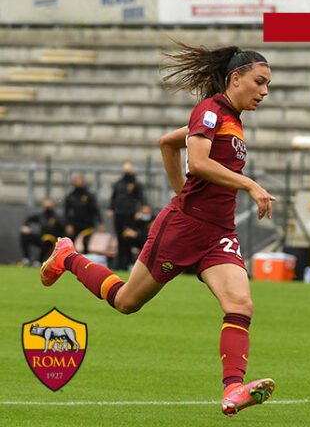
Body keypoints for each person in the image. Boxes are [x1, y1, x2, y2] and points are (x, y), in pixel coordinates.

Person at [40, 41, 276, 416]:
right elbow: (196, 162)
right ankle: (67, 256)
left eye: (268, 85)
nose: (264, 92)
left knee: (240, 304)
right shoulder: (211, 111)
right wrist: (246, 184)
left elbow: (168, 143)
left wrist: (182, 190)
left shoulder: (231, 119)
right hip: (183, 229)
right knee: (126, 302)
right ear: (235, 78)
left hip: (219, 233)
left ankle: (233, 389)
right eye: (259, 82)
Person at [108, 162, 145, 270]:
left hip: (131, 214)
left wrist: (139, 210)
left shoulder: (136, 184)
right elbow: (114, 197)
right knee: (120, 239)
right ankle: (121, 264)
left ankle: (128, 262)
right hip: (119, 214)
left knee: (127, 238)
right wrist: (111, 208)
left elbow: (141, 198)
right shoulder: (118, 184)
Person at [64, 176, 104, 254]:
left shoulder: (89, 196)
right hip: (75, 224)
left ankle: (85, 260)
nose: (79, 184)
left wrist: (100, 222)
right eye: (77, 182)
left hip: (87, 224)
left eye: (80, 182)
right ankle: (70, 259)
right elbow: (66, 212)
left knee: (86, 241)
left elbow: (95, 209)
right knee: (70, 242)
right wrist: (68, 224)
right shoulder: (71, 196)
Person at [19, 199, 65, 266]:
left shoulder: (57, 217)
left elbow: (62, 230)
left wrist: (59, 242)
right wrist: (26, 226)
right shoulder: (41, 216)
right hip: (41, 238)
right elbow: (29, 219)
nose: (47, 208)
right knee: (25, 235)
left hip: (52, 240)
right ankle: (26, 258)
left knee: (47, 240)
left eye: (48, 206)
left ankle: (39, 261)